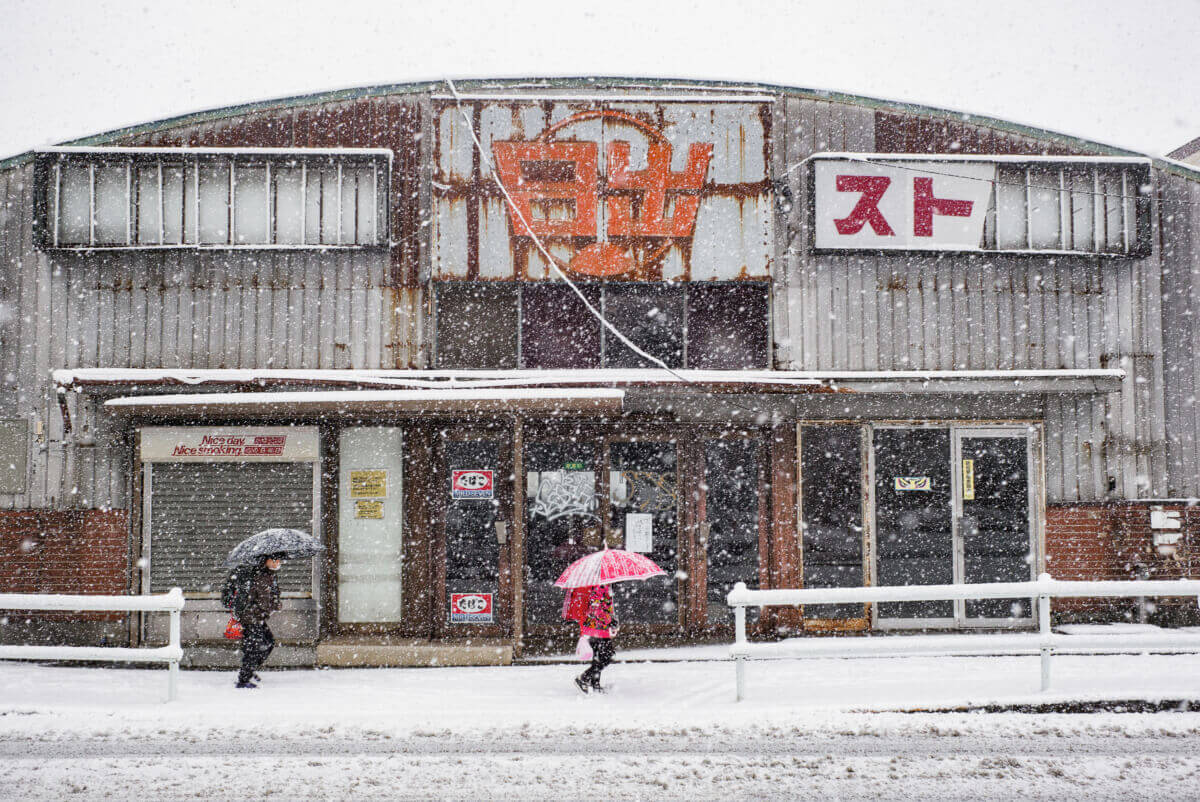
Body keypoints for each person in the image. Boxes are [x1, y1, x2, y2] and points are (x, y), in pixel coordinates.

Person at [234, 553, 284, 689]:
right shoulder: (261, 575)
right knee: (255, 647)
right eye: (273, 560)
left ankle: (250, 670)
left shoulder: (268, 575)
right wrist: (274, 605)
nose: (276, 563)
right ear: (265, 561)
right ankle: (243, 680)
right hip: (252, 617)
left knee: (268, 642)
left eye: (278, 560)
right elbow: (262, 601)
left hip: (256, 617)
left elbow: (269, 597)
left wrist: (274, 601)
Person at [563, 583, 617, 693]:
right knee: (607, 656)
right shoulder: (600, 586)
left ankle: (595, 684)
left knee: (599, 656)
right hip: (597, 627)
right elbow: (596, 608)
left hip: (596, 627)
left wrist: (611, 619)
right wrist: (610, 620)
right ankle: (584, 678)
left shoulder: (604, 585)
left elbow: (604, 606)